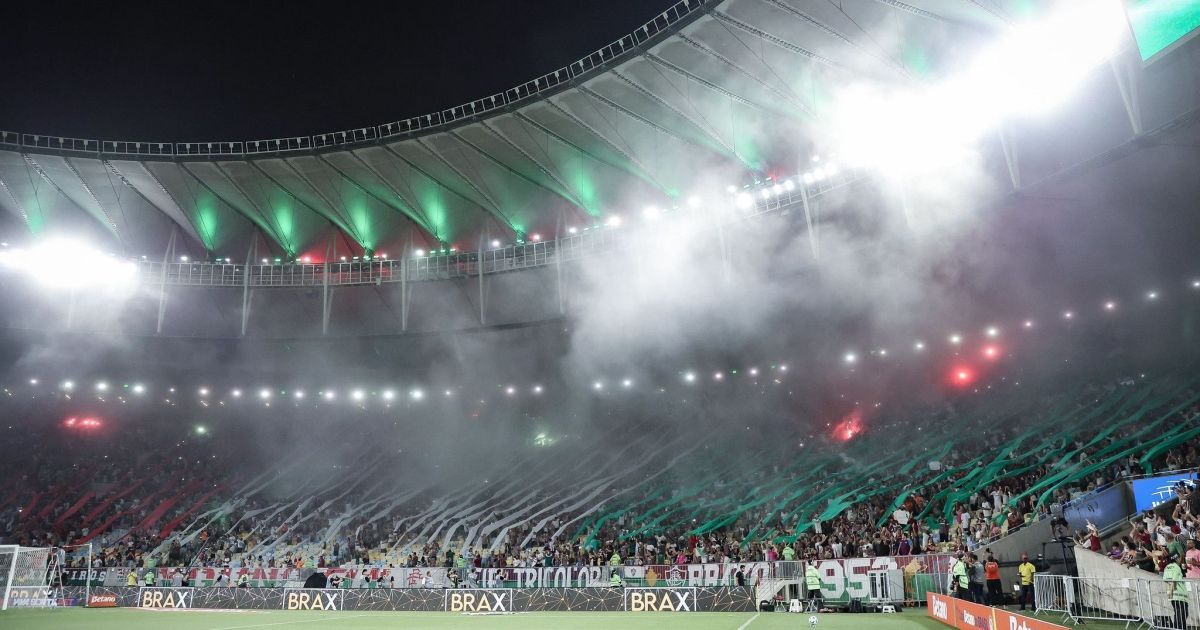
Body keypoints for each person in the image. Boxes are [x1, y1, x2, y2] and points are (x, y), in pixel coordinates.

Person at [1164, 554, 1189, 629]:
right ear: (1175, 559)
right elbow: (1174, 579)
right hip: (1179, 593)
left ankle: (1176, 628)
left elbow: (1165, 579)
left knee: (1178, 613)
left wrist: (1171, 592)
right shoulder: (1176, 567)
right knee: (1183, 614)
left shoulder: (1167, 567)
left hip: (1171, 593)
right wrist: (1174, 588)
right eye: (1178, 557)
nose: (1179, 559)